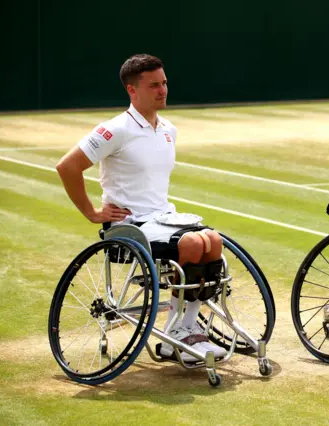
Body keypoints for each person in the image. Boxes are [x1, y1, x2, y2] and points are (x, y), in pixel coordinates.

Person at [56, 54, 227, 361]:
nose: (162, 90)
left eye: (164, 83)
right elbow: (67, 167)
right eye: (153, 85)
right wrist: (91, 212)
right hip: (130, 227)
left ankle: (185, 329)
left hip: (164, 218)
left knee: (213, 241)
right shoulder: (114, 129)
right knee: (191, 243)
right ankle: (177, 334)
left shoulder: (168, 130)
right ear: (132, 90)